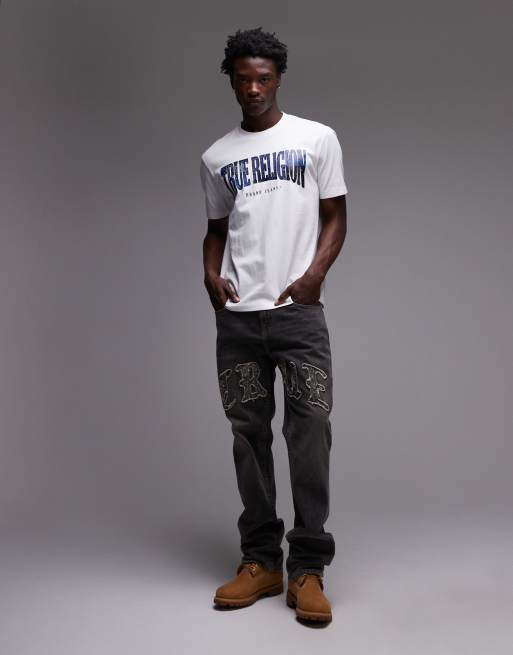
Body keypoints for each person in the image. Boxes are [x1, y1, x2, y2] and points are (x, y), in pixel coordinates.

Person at [200, 26, 348, 624]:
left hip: (298, 316)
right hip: (238, 320)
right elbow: (216, 230)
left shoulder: (316, 138)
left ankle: (308, 566)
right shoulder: (217, 157)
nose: (254, 88)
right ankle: (260, 561)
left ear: (278, 78)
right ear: (232, 82)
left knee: (309, 432)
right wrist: (209, 275)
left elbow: (335, 216)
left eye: (263, 78)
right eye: (244, 79)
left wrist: (314, 277)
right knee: (248, 436)